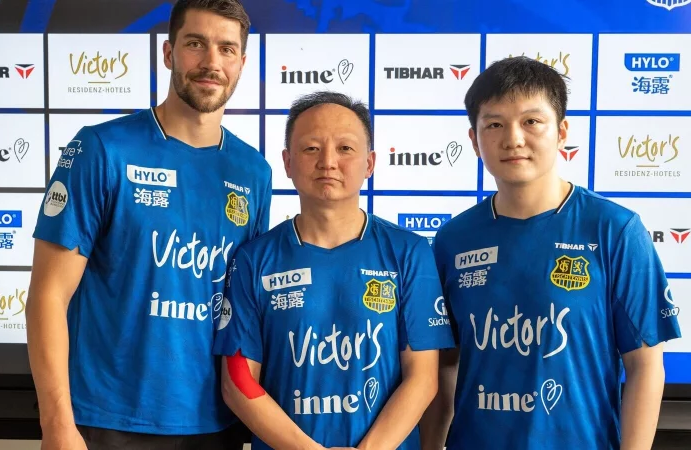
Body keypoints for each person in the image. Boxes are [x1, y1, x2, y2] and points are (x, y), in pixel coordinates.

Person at [25, 1, 271, 449]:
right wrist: (56, 422)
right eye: (195, 44)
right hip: (108, 421)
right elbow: (47, 294)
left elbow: (246, 316)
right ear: (169, 53)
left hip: (218, 424)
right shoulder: (101, 149)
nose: (211, 62)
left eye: (226, 49)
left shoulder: (254, 172)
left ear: (242, 63)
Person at [419, 56, 682, 450]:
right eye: (494, 124)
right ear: (474, 140)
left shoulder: (614, 230)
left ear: (561, 133)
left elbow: (644, 366)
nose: (513, 138)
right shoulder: (453, 240)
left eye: (531, 121)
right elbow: (444, 366)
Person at [213, 91, 455, 450]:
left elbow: (422, 379)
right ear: (288, 162)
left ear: (369, 163)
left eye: (345, 148)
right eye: (311, 148)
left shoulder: (409, 252)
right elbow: (237, 381)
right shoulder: (253, 260)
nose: (328, 161)